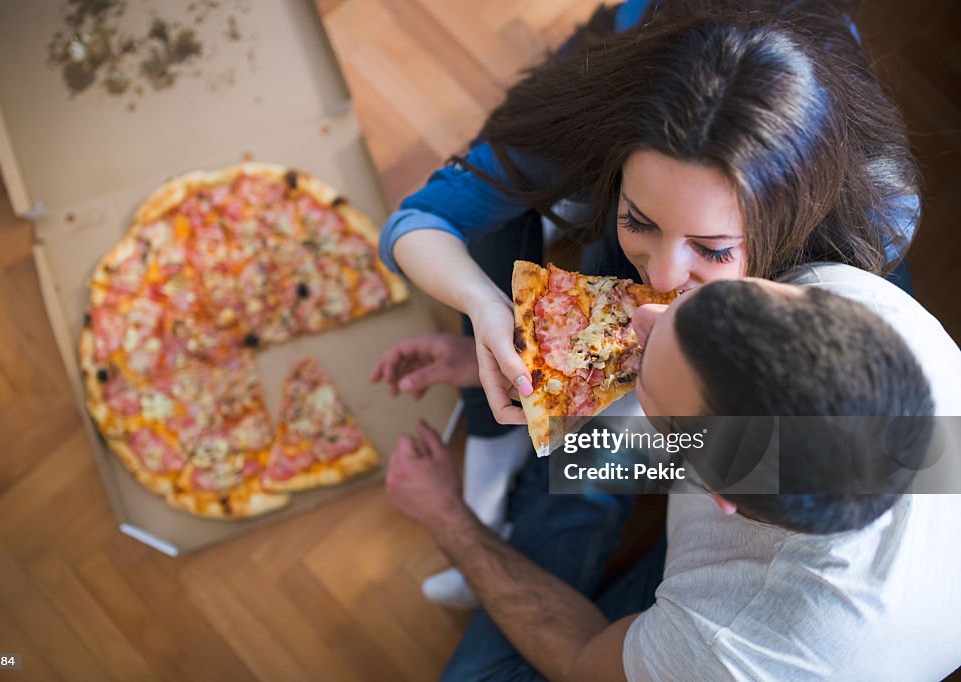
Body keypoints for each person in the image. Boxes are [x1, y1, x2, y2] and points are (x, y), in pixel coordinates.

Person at [375, 0, 921, 606]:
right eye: (637, 219)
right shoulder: (602, 105)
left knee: (589, 470)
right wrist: (490, 313)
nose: (658, 282)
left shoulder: (866, 242)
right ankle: (506, 455)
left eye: (711, 250)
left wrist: (614, 426)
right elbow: (419, 220)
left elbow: (695, 447)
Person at [385, 275, 961, 681]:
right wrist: (532, 367)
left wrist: (448, 518)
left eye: (648, 377)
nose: (644, 312)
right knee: (593, 452)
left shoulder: (735, 650)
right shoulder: (860, 298)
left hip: (727, 638)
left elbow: (581, 659)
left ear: (710, 492)